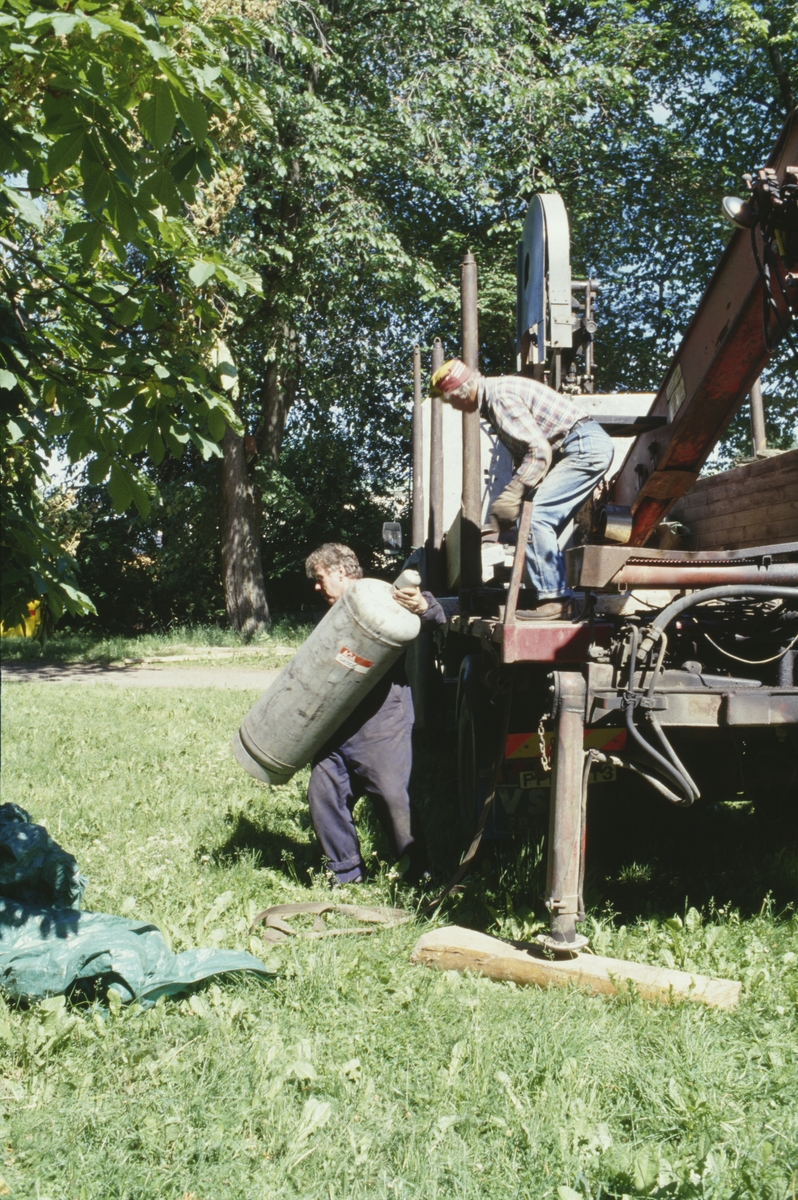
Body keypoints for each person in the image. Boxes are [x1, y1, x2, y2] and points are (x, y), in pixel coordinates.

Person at [304, 542, 446, 885]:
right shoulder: (331, 612)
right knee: (323, 794)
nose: (317, 587)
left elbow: (434, 615)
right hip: (335, 724)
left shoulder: (381, 597)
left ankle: (419, 873)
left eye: (320, 578)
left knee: (392, 798)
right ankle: (345, 874)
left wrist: (423, 605)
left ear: (340, 572)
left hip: (380, 722)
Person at [430, 359, 614, 620]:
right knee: (531, 521)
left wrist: (514, 492)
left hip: (583, 447)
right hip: (582, 445)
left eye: (450, 401)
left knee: (536, 518)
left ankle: (556, 601)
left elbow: (538, 450)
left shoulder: (498, 398)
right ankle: (549, 594)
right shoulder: (495, 395)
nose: (454, 407)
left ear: (460, 393)